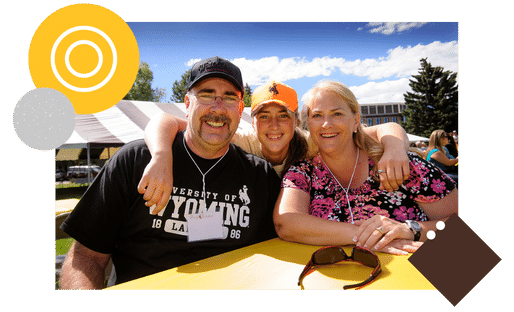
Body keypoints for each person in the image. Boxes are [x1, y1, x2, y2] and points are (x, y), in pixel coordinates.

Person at [59, 56, 281, 289]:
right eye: (206, 95)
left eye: (229, 98)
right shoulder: (135, 161)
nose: (217, 107)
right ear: (187, 103)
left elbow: (273, 260)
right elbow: (85, 257)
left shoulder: (260, 176)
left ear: (239, 108)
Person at [140, 81, 412, 214]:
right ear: (252, 120)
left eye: (283, 116)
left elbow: (377, 130)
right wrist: (162, 157)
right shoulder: (238, 141)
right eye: (264, 116)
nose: (274, 126)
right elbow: (166, 120)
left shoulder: (312, 141)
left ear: (296, 120)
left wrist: (396, 149)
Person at [273, 81, 458, 256]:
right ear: (308, 125)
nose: (326, 123)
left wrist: (411, 230)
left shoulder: (398, 163)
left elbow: (464, 227)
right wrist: (366, 235)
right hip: (338, 279)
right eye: (317, 115)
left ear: (355, 120)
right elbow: (287, 223)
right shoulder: (303, 172)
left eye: (337, 113)